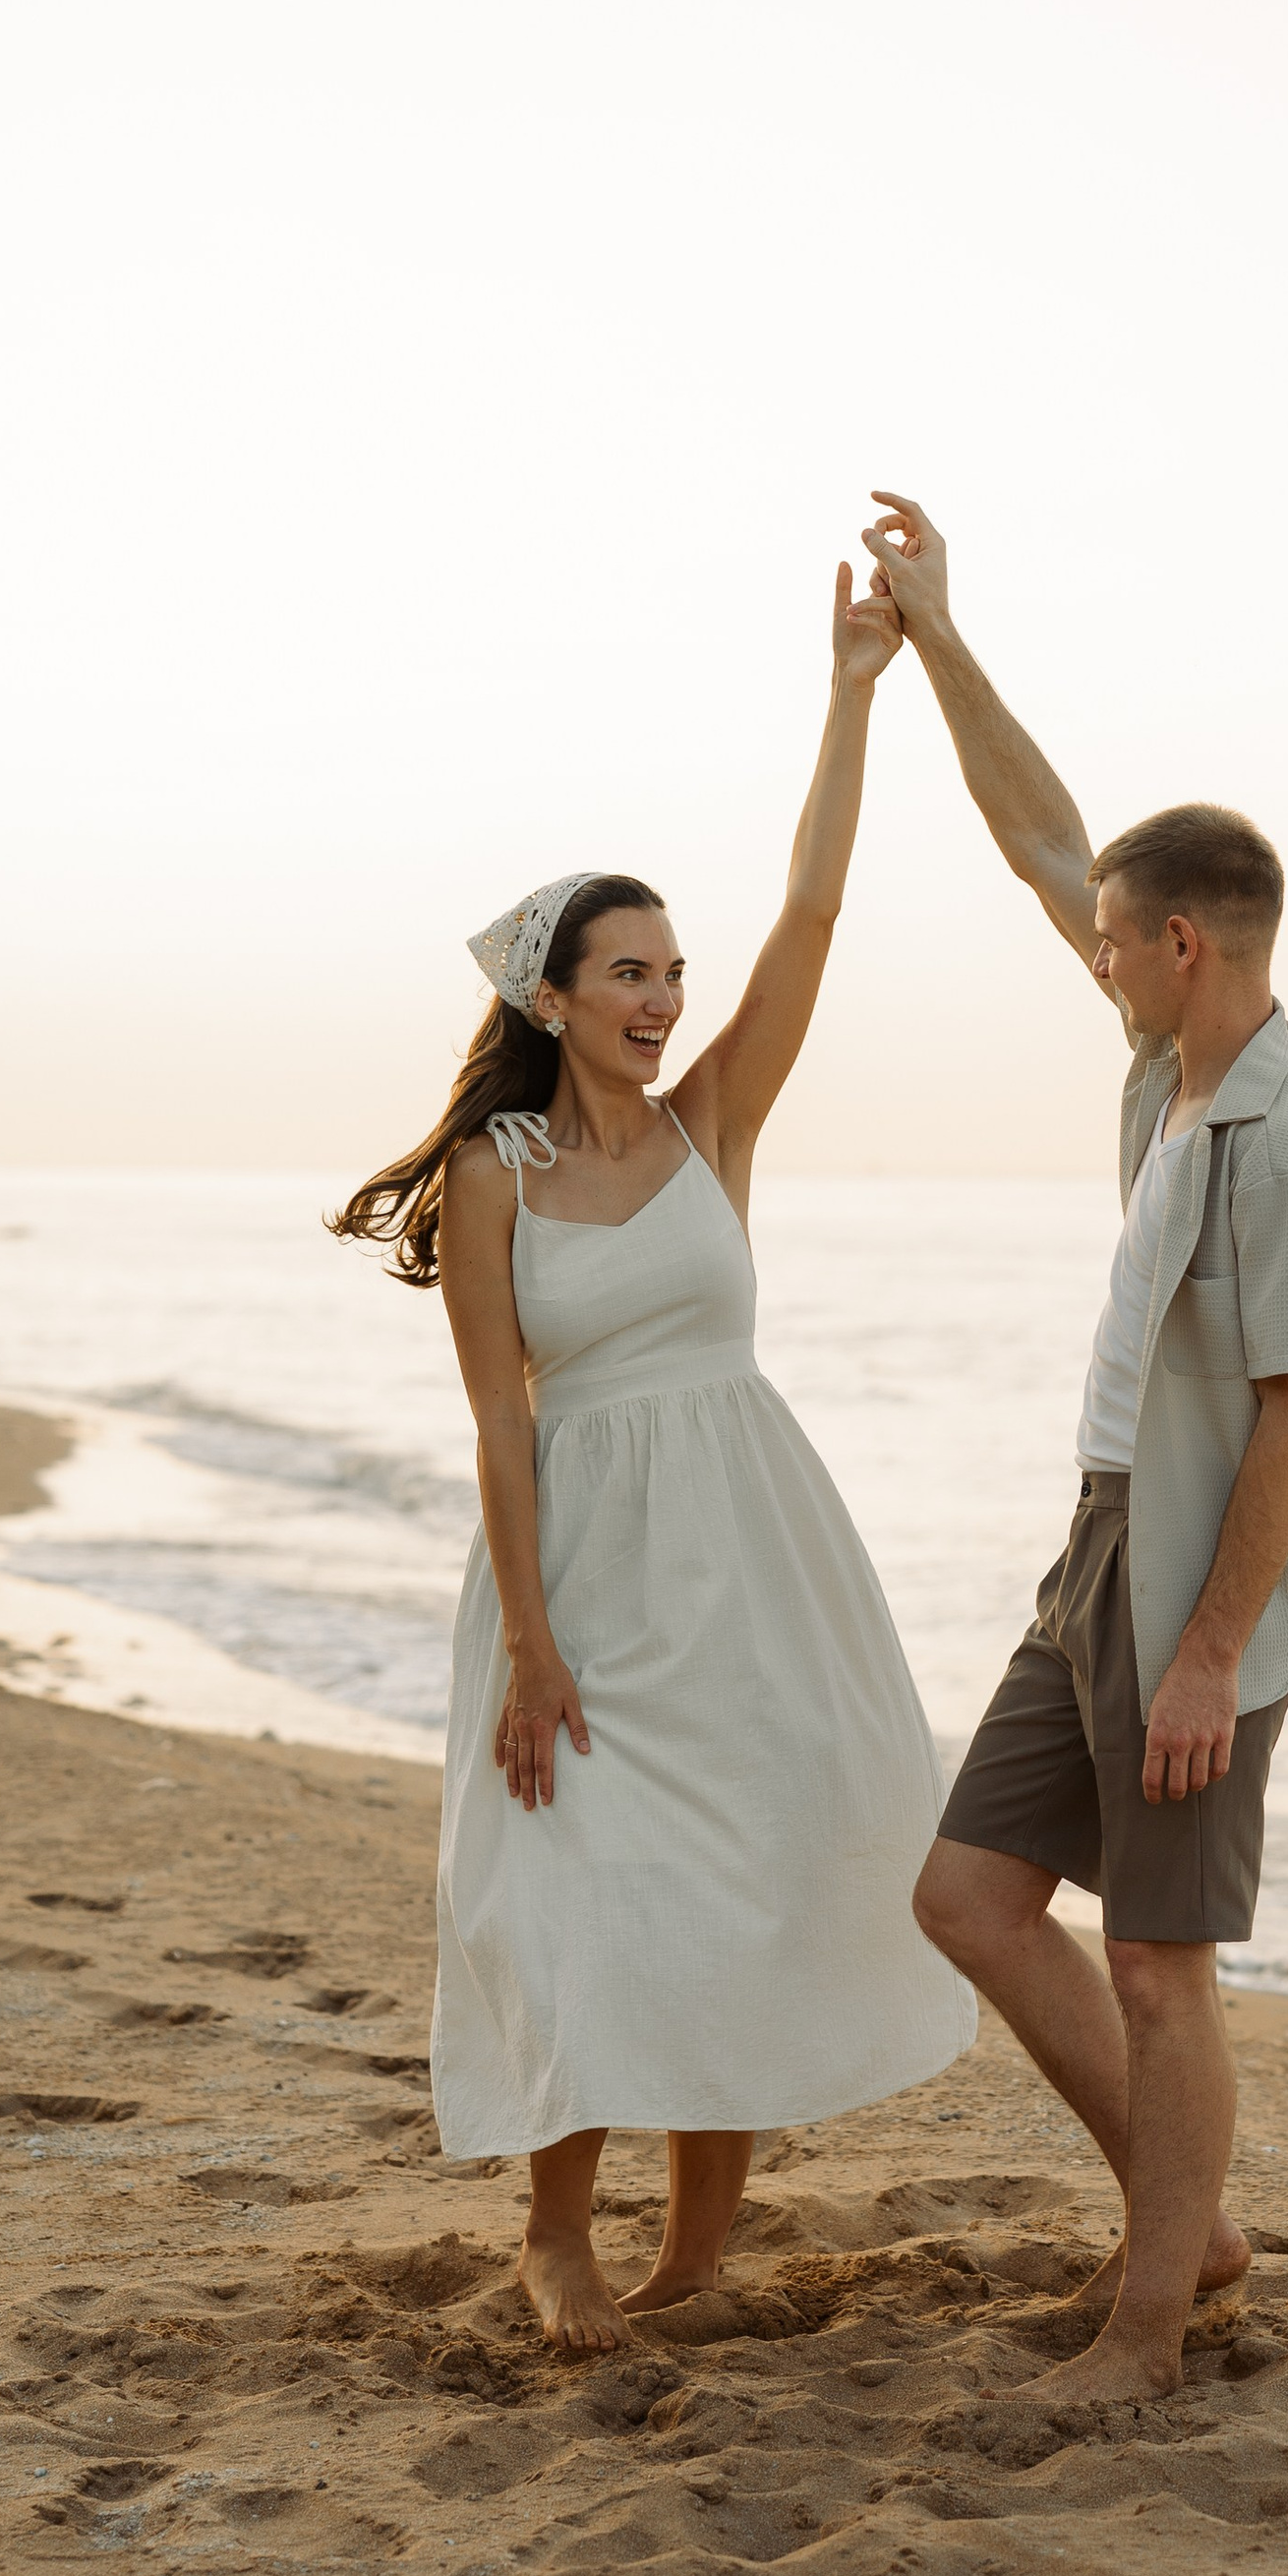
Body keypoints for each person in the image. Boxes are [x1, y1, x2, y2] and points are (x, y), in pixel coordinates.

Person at [327, 565, 972, 2355]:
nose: (665, 999)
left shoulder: (713, 1129)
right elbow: (500, 1420)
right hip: (582, 1571)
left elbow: (816, 914)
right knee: (576, 1882)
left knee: (744, 1871)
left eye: (674, 974)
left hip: (749, 1547)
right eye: (629, 974)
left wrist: (857, 689)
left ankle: (695, 2253)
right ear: (552, 993)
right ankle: (556, 2236)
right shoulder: (494, 1178)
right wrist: (533, 1643)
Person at [870, 491, 1288, 2408]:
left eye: (1103, 941)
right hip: (1098, 1539)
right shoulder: (1171, 1063)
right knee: (971, 1897)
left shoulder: (1283, 1142)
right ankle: (1197, 2219)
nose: (1080, 955)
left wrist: (1213, 1653)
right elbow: (1038, 844)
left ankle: (1152, 2322)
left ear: (1176, 943)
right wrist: (933, 636)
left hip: (1191, 1589)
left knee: (1160, 1960)